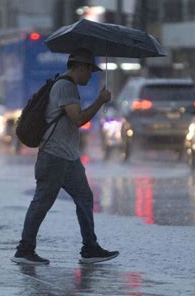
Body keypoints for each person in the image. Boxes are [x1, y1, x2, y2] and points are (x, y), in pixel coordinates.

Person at [11, 48, 119, 265]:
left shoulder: (67, 86)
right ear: (80, 67)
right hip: (54, 156)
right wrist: (99, 101)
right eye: (90, 71)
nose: (91, 76)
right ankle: (24, 249)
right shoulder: (65, 86)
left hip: (68, 158)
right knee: (42, 202)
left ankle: (90, 248)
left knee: (84, 198)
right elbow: (78, 119)